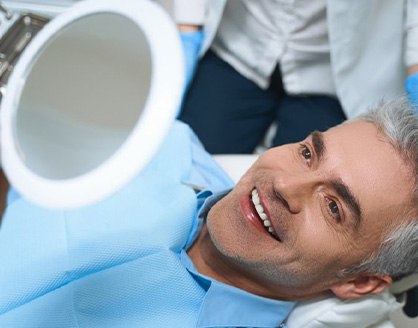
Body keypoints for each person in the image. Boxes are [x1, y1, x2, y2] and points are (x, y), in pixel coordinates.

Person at [0, 98, 417, 327]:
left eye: (333, 207)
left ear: (360, 282)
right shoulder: (163, 144)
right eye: (308, 153)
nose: (284, 185)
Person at [176, 0, 418, 154]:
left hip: (331, 75)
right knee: (188, 164)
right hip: (240, 45)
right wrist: (187, 26)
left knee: (303, 202)